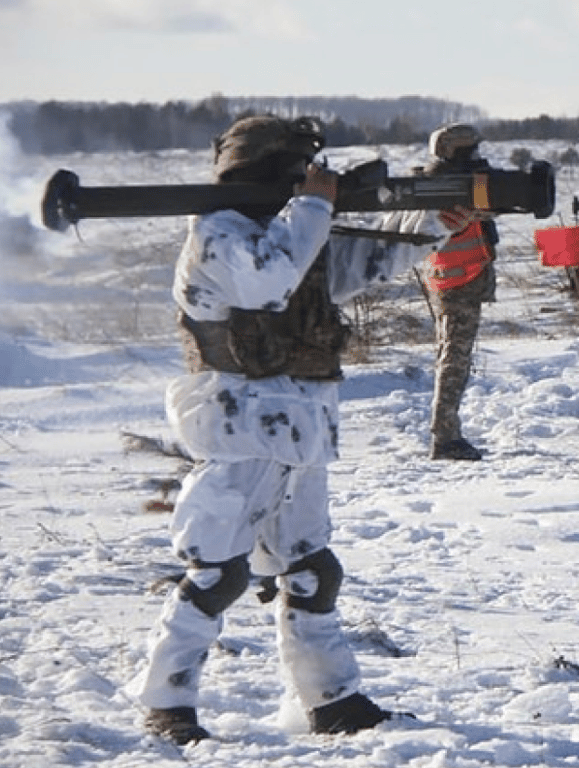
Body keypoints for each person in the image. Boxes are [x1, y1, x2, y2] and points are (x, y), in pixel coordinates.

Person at [132, 115, 430, 744]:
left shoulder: (294, 228)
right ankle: (166, 701)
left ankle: (330, 700)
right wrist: (313, 207)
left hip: (301, 428)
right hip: (239, 424)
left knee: (311, 571)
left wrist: (433, 220)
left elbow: (366, 261)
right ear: (263, 172)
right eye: (297, 171)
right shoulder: (218, 234)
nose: (308, 181)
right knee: (219, 573)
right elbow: (268, 282)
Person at [406, 124, 500, 461]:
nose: (477, 155)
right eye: (471, 150)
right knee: (454, 361)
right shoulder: (449, 186)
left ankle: (445, 433)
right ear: (456, 151)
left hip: (456, 278)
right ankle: (445, 438)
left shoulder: (443, 182)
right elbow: (487, 205)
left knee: (451, 356)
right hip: (459, 280)